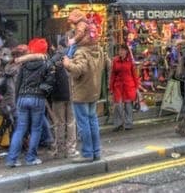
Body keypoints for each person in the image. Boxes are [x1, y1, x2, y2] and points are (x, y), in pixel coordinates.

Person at [5, 38, 54, 168]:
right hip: (37, 98)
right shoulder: (47, 64)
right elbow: (49, 83)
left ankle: (12, 159)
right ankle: (31, 158)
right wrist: (43, 93)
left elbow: (18, 83)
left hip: (22, 97)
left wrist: (17, 99)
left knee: (20, 128)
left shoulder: (24, 65)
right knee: (36, 129)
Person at [63, 30, 107, 163]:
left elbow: (78, 70)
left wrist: (67, 63)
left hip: (81, 92)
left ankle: (87, 153)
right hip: (93, 91)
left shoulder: (81, 52)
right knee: (92, 121)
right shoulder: (98, 50)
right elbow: (107, 64)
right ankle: (96, 151)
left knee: (83, 123)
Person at [49, 35, 77, 159]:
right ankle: (71, 149)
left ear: (58, 46)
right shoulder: (73, 57)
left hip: (57, 94)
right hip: (72, 93)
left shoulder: (53, 59)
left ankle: (59, 149)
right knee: (71, 122)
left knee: (59, 123)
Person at [109, 44, 139, 132]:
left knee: (128, 105)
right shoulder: (115, 61)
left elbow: (134, 74)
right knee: (118, 105)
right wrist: (111, 87)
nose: (121, 52)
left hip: (129, 85)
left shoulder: (130, 61)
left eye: (123, 50)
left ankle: (128, 123)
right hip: (118, 86)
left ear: (126, 51)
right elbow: (113, 75)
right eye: (120, 50)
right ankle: (118, 124)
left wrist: (136, 87)